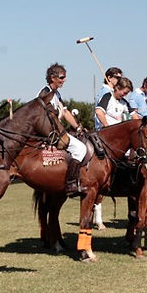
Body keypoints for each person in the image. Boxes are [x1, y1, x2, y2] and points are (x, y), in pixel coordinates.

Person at [39, 63, 91, 196]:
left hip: (57, 131)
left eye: (64, 77)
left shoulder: (56, 94)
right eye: (61, 77)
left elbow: (66, 113)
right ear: (52, 78)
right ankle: (71, 183)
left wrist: (78, 127)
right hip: (49, 133)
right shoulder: (45, 93)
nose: (64, 80)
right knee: (80, 148)